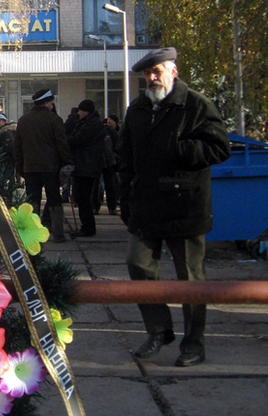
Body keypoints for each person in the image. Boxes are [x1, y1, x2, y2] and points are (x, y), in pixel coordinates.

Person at [118, 47, 230, 367]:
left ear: (173, 72)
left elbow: (220, 147)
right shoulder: (138, 108)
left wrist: (177, 148)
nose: (152, 78)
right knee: (138, 265)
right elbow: (125, 156)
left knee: (190, 280)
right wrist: (124, 197)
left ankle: (194, 344)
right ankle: (158, 329)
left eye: (158, 71)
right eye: (147, 73)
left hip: (185, 206)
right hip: (146, 205)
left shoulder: (195, 105)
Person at [14, 89, 71, 243]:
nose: (52, 106)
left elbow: (17, 146)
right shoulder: (54, 120)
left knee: (32, 200)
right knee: (54, 199)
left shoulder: (23, 120)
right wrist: (67, 162)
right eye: (51, 103)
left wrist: (20, 167)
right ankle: (58, 234)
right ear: (46, 103)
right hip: (50, 167)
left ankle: (32, 233)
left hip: (30, 167)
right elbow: (62, 143)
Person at [67, 99, 105, 237]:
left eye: (80, 111)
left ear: (86, 111)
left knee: (83, 198)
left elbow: (78, 139)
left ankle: (87, 227)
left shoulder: (92, 125)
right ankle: (87, 226)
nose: (78, 113)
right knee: (82, 197)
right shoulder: (89, 123)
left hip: (87, 165)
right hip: (85, 164)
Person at [93, 114, 121, 215]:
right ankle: (111, 207)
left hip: (102, 160)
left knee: (99, 185)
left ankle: (96, 207)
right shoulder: (110, 132)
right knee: (109, 185)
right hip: (108, 160)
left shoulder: (97, 131)